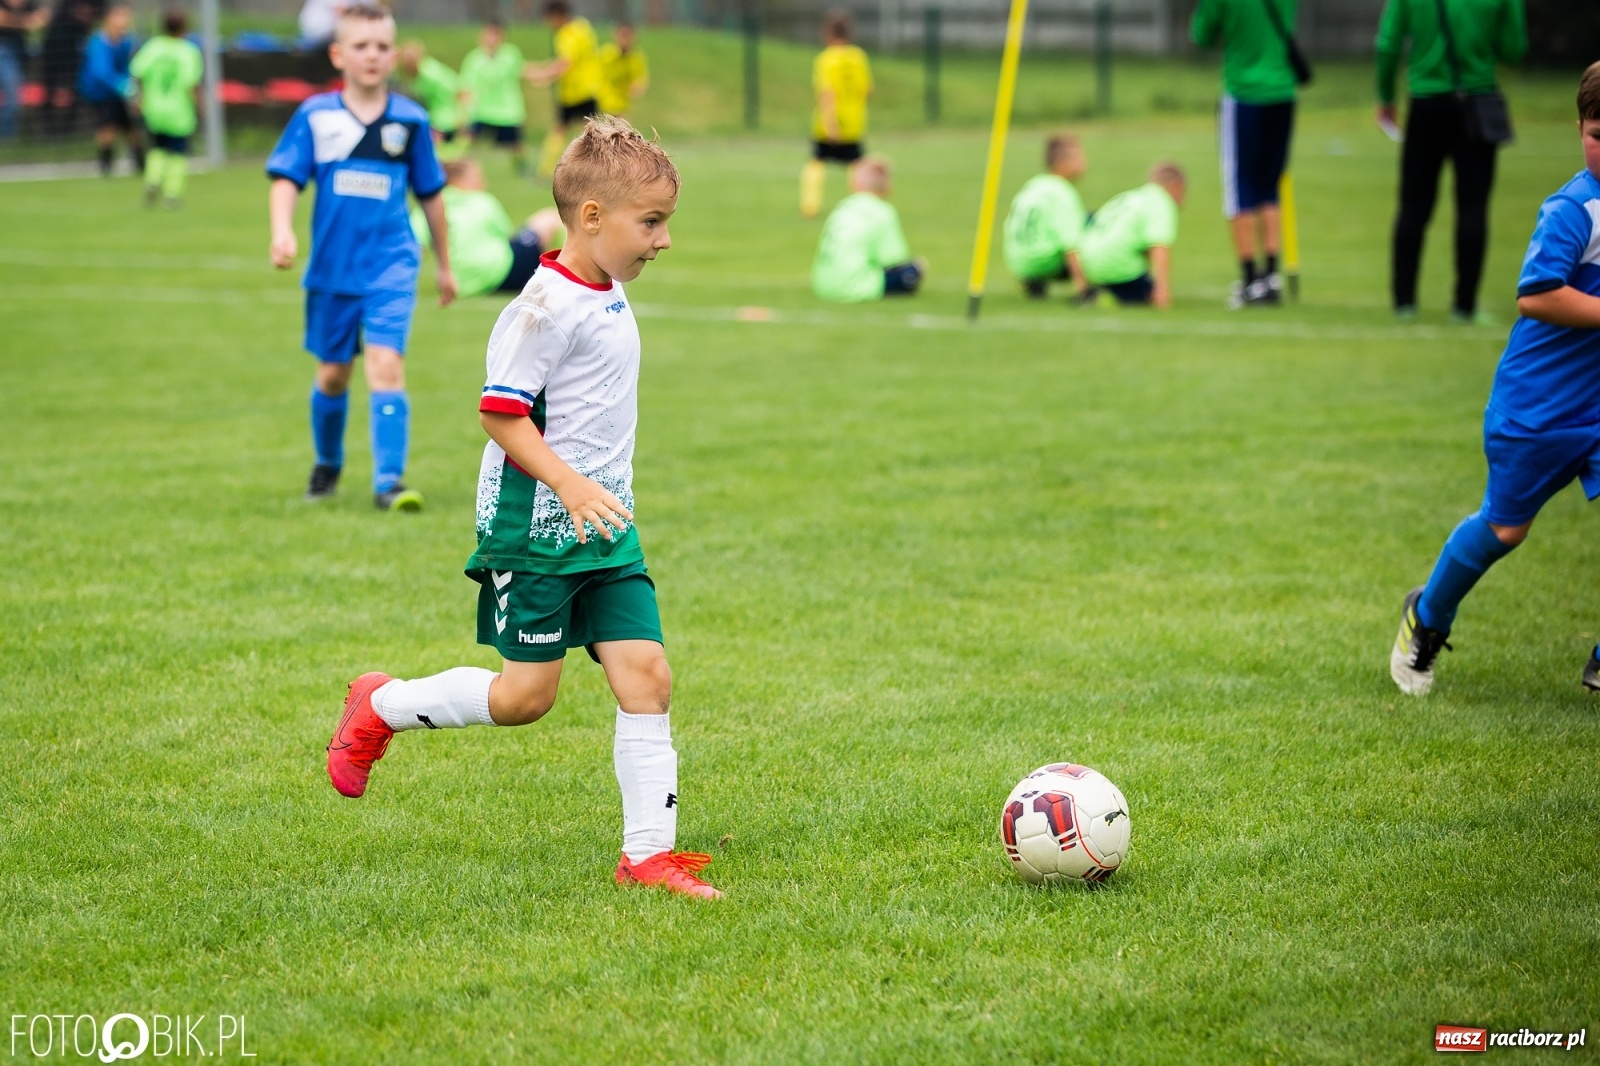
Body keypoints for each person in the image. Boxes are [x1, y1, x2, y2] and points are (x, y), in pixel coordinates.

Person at [325, 115, 722, 901]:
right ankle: (383, 703)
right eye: (653, 223)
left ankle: (648, 855)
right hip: (536, 527)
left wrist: (593, 492)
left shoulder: (603, 287)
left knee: (647, 674)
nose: (663, 240)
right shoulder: (541, 309)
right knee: (523, 699)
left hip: (604, 524)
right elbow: (500, 413)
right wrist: (568, 483)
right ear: (592, 218)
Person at [1390, 64, 1600, 697]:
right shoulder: (1575, 208)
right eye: (1598, 131)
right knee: (1505, 529)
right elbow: (1536, 296)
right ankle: (1425, 619)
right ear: (1580, 128)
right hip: (1538, 406)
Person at [266, 3, 455, 511]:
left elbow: (432, 196)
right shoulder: (317, 116)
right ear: (338, 54)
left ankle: (388, 482)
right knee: (332, 374)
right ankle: (327, 464)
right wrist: (282, 231)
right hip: (331, 269)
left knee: (386, 365)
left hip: (392, 265)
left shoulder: (410, 121)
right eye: (361, 46)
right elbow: (286, 178)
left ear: (394, 54)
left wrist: (444, 264)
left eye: (382, 46)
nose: (372, 56)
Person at [1376, 0, 1527, 323]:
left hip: (1425, 102)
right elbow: (1513, 48)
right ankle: (1464, 304)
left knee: (1413, 205)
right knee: (1473, 206)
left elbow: (1388, 43)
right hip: (1476, 101)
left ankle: (1404, 301)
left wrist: (1386, 95)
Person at [1191, 0, 1300, 308]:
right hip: (1283, 91)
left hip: (1244, 92)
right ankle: (1270, 276)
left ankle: (1251, 279)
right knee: (1270, 185)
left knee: (1240, 187)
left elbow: (1202, 35)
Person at [411, 157, 564, 298]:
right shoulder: (482, 201)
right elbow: (507, 237)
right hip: (502, 273)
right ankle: (568, 275)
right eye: (477, 177)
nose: (483, 182)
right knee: (550, 218)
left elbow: (416, 248)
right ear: (457, 180)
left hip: (459, 284)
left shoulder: (428, 209)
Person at [811, 156, 921, 303]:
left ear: (854, 183)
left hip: (822, 285)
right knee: (913, 270)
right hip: (856, 286)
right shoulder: (883, 211)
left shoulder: (842, 207)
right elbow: (894, 259)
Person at [1076, 162, 1186, 308]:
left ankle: (1098, 290)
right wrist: (1162, 291)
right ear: (1175, 185)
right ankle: (1109, 297)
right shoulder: (1162, 202)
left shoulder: (1129, 197)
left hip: (1085, 263)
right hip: (1115, 266)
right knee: (1145, 295)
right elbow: (1159, 246)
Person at [800, 9, 871, 219]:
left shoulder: (826, 59)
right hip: (854, 121)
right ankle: (863, 202)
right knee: (856, 163)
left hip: (830, 121)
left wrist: (830, 122)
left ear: (828, 33)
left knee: (816, 162)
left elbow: (827, 93)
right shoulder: (859, 57)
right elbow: (866, 90)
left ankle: (810, 207)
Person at [1002, 134, 1089, 299]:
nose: (1084, 163)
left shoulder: (1033, 185)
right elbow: (1070, 243)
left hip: (1018, 263)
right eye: (1079, 158)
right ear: (1062, 163)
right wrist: (1084, 289)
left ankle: (1033, 283)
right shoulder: (1062, 192)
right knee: (1095, 225)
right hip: (1045, 263)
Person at [130, 8, 201, 208]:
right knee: (178, 151)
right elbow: (191, 84)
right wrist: (199, 105)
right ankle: (172, 193)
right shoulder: (188, 51)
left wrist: (139, 98)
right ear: (184, 27)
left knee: (157, 147)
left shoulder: (153, 47)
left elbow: (137, 73)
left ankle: (152, 180)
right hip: (179, 111)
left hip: (154, 108)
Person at [524, 0, 603, 177]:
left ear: (557, 16)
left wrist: (544, 76)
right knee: (591, 132)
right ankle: (598, 168)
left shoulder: (566, 34)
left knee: (565, 131)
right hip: (589, 88)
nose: (549, 24)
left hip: (574, 92)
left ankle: (544, 170)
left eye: (549, 19)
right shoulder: (584, 26)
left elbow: (566, 62)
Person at [78, 3, 143, 175]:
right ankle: (106, 166)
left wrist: (131, 85)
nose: (123, 21)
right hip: (101, 93)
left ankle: (140, 163)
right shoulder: (98, 42)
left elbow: (132, 64)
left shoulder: (128, 40)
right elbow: (100, 72)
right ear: (108, 19)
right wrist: (123, 85)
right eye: (119, 16)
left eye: (126, 16)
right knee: (108, 127)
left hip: (121, 91)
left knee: (131, 127)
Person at [460, 18, 527, 173]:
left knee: (515, 144)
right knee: (467, 139)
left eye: (496, 35)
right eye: (489, 34)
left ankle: (522, 169)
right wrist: (464, 110)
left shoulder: (510, 54)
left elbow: (523, 70)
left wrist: (545, 73)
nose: (492, 39)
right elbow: (465, 86)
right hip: (482, 110)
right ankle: (457, 166)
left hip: (507, 110)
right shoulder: (473, 59)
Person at [40, 0, 105, 134]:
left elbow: (99, 14)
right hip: (55, 45)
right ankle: (48, 127)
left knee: (76, 86)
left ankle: (69, 128)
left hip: (77, 48)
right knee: (50, 87)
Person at [397, 39, 463, 147]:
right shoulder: (416, 75)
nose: (407, 62)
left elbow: (457, 90)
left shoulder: (430, 74)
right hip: (433, 116)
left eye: (410, 58)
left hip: (445, 120)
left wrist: (461, 120)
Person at [0, 0, 48, 141]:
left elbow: (42, 18)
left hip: (20, 50)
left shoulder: (29, 3)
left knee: (14, 95)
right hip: (3, 48)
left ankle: (6, 138)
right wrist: (25, 22)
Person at [597, 21, 647, 118]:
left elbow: (640, 81)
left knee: (625, 130)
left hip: (621, 106)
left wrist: (637, 88)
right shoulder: (605, 54)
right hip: (601, 106)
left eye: (628, 35)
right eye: (622, 35)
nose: (625, 39)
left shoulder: (636, 58)